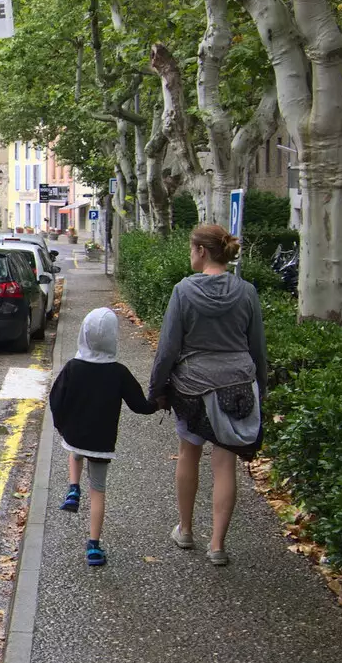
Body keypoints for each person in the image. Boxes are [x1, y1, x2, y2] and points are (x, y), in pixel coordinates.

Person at [148, 223, 268, 567]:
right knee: (225, 462)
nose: (190, 255)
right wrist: (262, 389)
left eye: (191, 249)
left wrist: (156, 392)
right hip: (238, 387)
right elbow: (257, 348)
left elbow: (168, 349)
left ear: (201, 251)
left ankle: (185, 530)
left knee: (189, 453)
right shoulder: (247, 292)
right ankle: (217, 545)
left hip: (193, 388)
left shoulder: (183, 292)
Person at [48, 307, 156, 567]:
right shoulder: (119, 372)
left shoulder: (72, 367)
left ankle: (73, 489)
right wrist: (161, 401)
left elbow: (55, 399)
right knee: (98, 490)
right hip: (101, 441)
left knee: (74, 451)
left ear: (83, 335)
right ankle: (93, 547)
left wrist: (61, 426)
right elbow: (140, 405)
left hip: (74, 433)